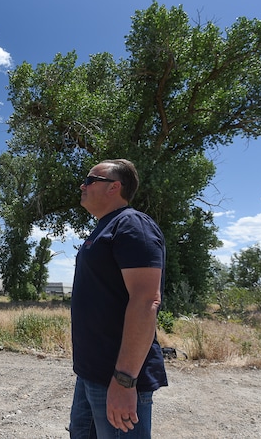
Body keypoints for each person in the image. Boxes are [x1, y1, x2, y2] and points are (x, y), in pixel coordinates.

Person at [69, 159, 168, 438]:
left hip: (117, 377)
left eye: (91, 180)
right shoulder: (104, 228)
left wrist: (125, 381)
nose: (83, 185)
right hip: (91, 373)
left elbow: (147, 300)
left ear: (115, 187)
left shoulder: (132, 224)